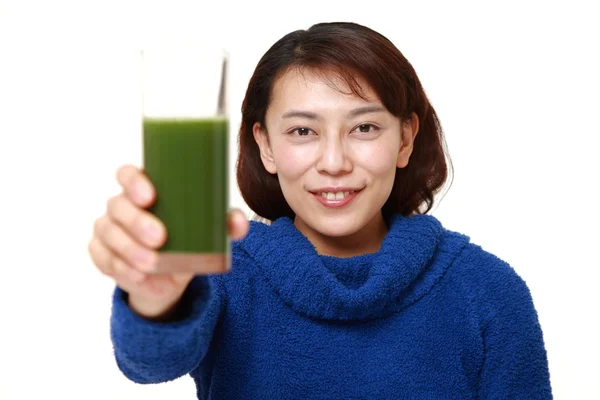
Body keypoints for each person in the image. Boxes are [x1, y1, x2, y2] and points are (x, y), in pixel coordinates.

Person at [88, 22, 553, 399]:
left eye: (364, 127)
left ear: (406, 139)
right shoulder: (221, 270)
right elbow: (148, 363)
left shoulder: (487, 290)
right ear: (265, 146)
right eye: (302, 132)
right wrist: (155, 296)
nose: (334, 163)